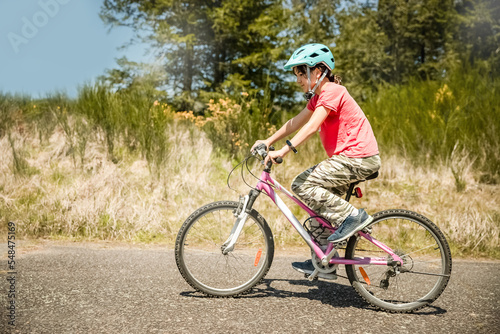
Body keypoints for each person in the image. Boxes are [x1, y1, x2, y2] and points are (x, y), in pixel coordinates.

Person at [251, 43, 381, 278]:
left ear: (317, 71)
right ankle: (325, 260)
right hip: (350, 159)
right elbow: (295, 122)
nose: (298, 80)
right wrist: (268, 140)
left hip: (359, 158)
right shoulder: (319, 97)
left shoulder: (332, 91)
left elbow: (312, 127)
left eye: (301, 74)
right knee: (320, 206)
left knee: (302, 184)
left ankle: (353, 217)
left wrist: (283, 151)